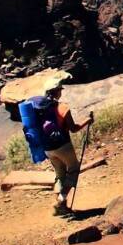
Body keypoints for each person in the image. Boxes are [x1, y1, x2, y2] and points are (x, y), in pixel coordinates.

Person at [38, 78, 93, 215]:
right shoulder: (62, 108)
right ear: (57, 92)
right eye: (60, 90)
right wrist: (88, 120)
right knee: (74, 169)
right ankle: (61, 200)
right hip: (63, 146)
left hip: (48, 148)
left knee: (59, 174)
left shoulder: (39, 109)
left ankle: (60, 208)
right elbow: (73, 128)